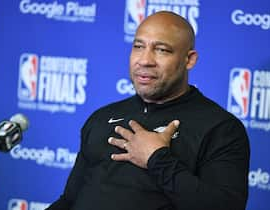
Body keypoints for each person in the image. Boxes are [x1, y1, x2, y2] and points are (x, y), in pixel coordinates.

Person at [46, 11, 250, 210]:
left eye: (161, 50)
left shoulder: (220, 128)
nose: (144, 60)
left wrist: (157, 158)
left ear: (189, 60)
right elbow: (69, 200)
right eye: (138, 47)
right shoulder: (102, 117)